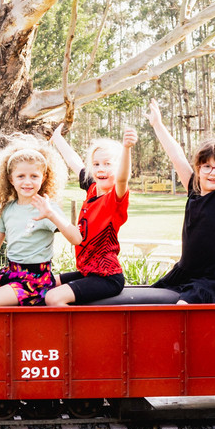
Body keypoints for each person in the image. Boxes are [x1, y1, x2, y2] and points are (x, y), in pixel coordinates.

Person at [145, 98, 215, 304]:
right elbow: (176, 155)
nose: (213, 172)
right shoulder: (193, 189)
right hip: (187, 272)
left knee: (182, 307)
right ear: (198, 169)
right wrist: (158, 125)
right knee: (153, 300)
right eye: (207, 166)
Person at [0, 134, 81, 307]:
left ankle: (8, 334)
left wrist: (51, 214)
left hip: (36, 280)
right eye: (21, 176)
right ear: (11, 179)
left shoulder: (47, 208)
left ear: (43, 177)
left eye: (34, 176)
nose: (27, 182)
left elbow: (76, 238)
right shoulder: (8, 210)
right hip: (12, 272)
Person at [45, 124, 136, 306]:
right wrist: (58, 139)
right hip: (88, 271)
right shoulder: (93, 188)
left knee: (53, 298)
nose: (100, 169)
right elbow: (74, 161)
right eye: (96, 164)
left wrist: (126, 149)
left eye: (108, 164)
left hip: (107, 277)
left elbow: (122, 178)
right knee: (44, 283)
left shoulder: (115, 199)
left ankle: (74, 333)